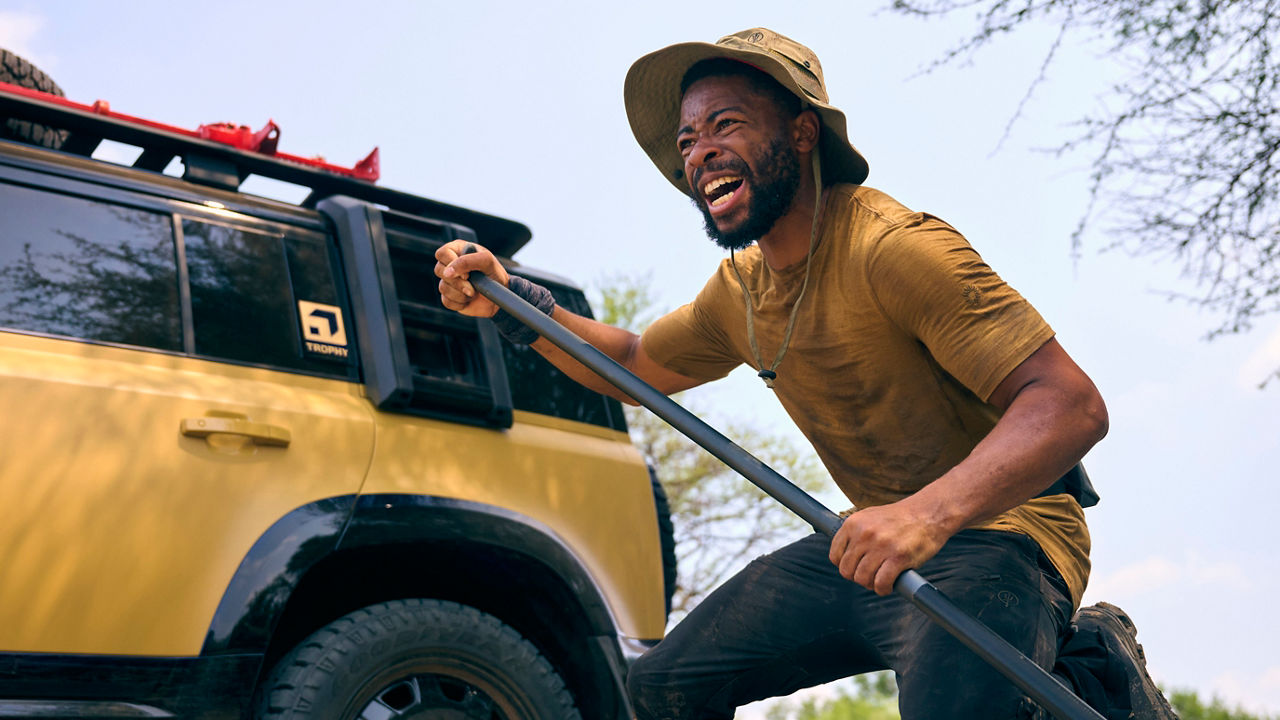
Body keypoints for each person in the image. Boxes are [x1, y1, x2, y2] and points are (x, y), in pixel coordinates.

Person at [436, 27, 1178, 720]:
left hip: (1005, 541)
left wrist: (924, 517)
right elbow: (632, 364)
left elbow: (1071, 405)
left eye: (725, 125)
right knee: (662, 688)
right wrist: (514, 304)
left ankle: (1083, 671)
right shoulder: (742, 292)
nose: (699, 153)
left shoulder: (895, 249)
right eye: (688, 140)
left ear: (801, 131)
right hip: (869, 548)